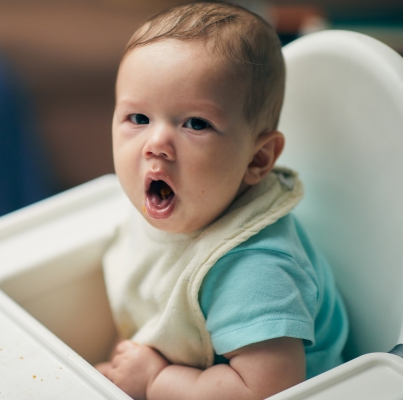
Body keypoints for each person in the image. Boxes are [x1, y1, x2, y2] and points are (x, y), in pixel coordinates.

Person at [95, 3, 348, 399]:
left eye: (195, 123)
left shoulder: (255, 267)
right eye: (138, 118)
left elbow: (265, 391)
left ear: (257, 158)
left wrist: (153, 381)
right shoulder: (167, 206)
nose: (155, 145)